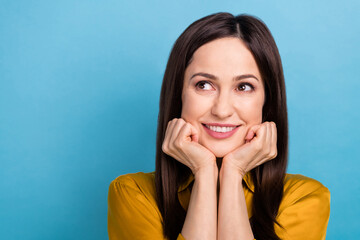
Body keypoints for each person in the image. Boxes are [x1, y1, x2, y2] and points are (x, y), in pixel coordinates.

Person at [108, 12, 330, 240]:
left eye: (243, 87)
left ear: (267, 101)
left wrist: (233, 172)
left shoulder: (304, 198)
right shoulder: (133, 194)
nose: (222, 110)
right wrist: (204, 171)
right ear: (178, 95)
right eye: (204, 85)